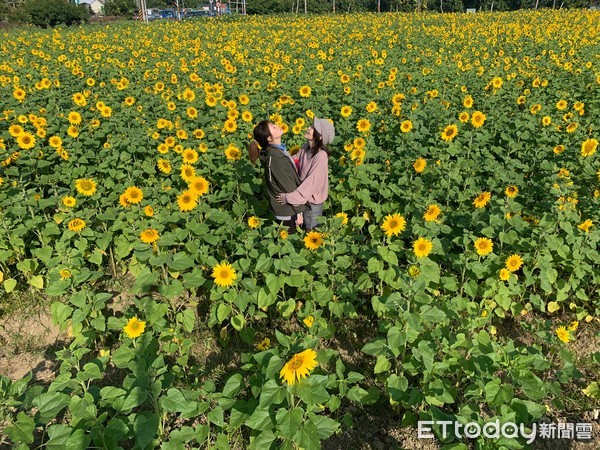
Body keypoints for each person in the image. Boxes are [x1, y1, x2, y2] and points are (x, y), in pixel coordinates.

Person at [248, 121, 309, 232]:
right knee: (288, 245)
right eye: (273, 127)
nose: (278, 126)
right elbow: (288, 186)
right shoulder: (275, 158)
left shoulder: (279, 151)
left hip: (289, 207)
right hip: (289, 211)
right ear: (269, 138)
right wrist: (299, 212)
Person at [275, 117, 334, 230]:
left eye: (312, 128)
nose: (308, 128)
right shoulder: (305, 148)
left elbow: (311, 183)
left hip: (311, 204)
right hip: (301, 199)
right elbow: (291, 164)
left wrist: (289, 198)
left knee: (311, 234)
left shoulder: (321, 156)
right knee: (299, 232)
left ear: (320, 136)